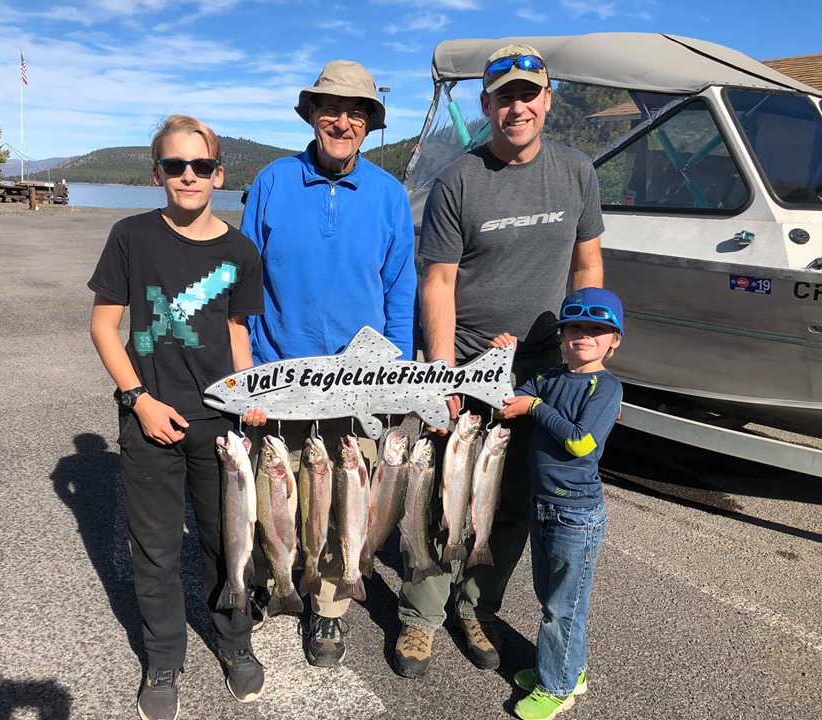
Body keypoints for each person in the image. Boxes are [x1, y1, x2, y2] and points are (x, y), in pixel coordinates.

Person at [395, 45, 605, 678]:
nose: (517, 107)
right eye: (504, 97)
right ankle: (419, 618)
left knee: (512, 500)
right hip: (464, 360)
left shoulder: (577, 171)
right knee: (441, 495)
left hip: (539, 368)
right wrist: (441, 376)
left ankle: (476, 608)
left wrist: (585, 352)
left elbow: (587, 264)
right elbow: (437, 282)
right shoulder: (460, 178)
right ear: (486, 106)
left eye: (528, 94)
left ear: (547, 100)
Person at [239, 60, 417, 667]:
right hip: (279, 373)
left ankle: (331, 608)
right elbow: (246, 281)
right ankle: (273, 581)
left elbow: (399, 291)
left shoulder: (390, 196)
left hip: (358, 379)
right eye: (331, 109)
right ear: (312, 114)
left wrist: (390, 379)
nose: (342, 121)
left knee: (348, 495)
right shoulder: (271, 181)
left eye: (356, 111)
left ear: (370, 122)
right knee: (272, 490)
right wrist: (252, 368)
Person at [88, 115, 266, 720]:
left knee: (226, 543)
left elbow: (238, 334)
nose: (187, 177)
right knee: (156, 550)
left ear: (219, 172)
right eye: (174, 166)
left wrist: (248, 397)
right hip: (150, 419)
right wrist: (138, 398)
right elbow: (104, 326)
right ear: (156, 172)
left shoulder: (241, 250)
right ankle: (163, 656)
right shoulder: (131, 237)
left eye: (200, 166)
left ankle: (234, 640)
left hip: (220, 424)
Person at [493, 286, 623, 720]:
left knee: (562, 608)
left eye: (596, 330)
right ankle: (569, 669)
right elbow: (510, 401)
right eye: (574, 329)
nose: (583, 337)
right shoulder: (548, 378)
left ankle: (557, 687)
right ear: (561, 337)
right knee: (550, 596)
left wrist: (536, 408)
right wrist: (505, 361)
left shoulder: (606, 388)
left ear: (614, 340)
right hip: (543, 504)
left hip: (576, 514)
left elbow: (582, 443)